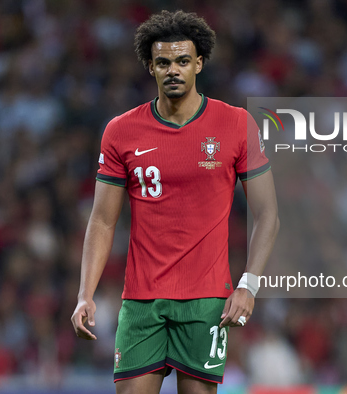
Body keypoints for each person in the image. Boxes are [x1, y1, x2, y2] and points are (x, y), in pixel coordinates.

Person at [70, 9, 279, 394]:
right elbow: (102, 221)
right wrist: (86, 293)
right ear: (150, 67)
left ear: (199, 63)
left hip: (206, 303)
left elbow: (267, 215)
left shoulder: (235, 124)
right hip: (141, 301)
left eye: (183, 61)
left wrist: (248, 285)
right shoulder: (121, 131)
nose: (173, 70)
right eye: (163, 62)